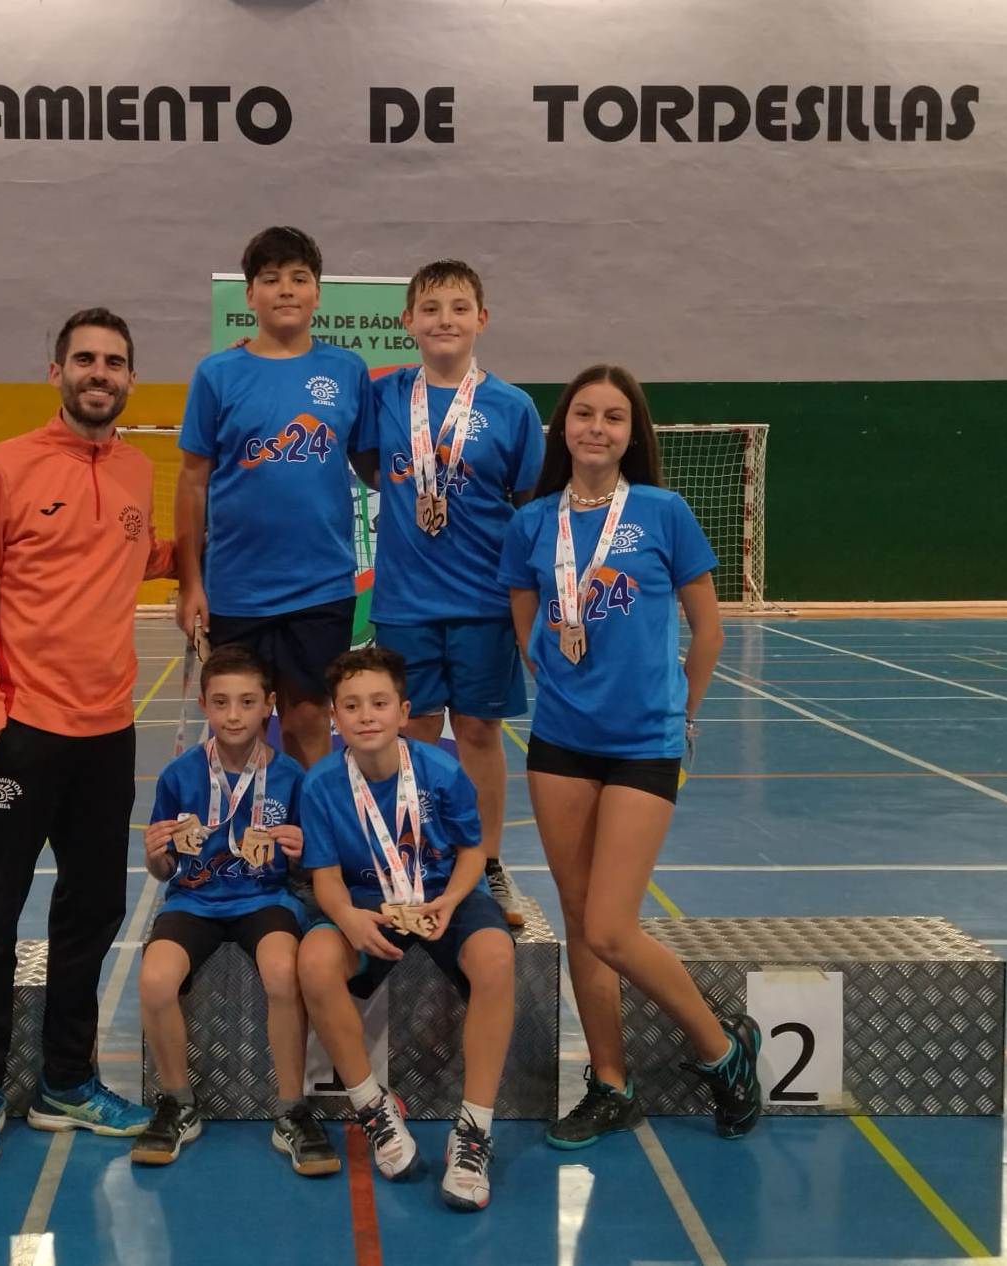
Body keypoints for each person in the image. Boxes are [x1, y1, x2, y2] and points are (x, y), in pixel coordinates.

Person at [496, 364, 761, 1147]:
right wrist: (542, 653)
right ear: (563, 428)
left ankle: (721, 1049)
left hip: (645, 744)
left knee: (612, 926)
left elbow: (708, 630)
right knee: (580, 920)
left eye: (614, 417)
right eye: (584, 414)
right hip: (560, 747)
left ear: (631, 433)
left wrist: (683, 713)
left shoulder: (663, 512)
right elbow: (523, 610)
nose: (597, 429)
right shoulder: (533, 522)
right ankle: (611, 1082)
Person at [0, 307, 173, 1172]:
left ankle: (67, 1083)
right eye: (84, 359)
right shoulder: (1, 468)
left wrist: (208, 553)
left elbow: (134, 553)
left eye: (114, 361)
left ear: (128, 380)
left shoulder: (140, 469)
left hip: (108, 732)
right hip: (24, 733)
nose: (98, 373)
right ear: (56, 372)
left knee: (91, 913)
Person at [296, 647, 516, 1212]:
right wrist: (346, 918)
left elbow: (472, 852)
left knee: (495, 957)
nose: (365, 715)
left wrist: (449, 900)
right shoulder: (321, 785)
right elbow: (324, 880)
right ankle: (373, 1107)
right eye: (351, 705)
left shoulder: (442, 770)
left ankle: (473, 1133)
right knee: (316, 962)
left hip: (442, 894)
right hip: (368, 902)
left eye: (378, 703)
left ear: (403, 710)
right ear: (334, 717)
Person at [362, 259, 544, 927]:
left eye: (459, 307)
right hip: (406, 602)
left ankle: (488, 864)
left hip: (484, 603)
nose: (445, 319)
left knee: (476, 732)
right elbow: (368, 465)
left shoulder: (512, 407)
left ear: (481, 319)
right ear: (407, 320)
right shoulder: (385, 396)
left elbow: (529, 510)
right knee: (407, 731)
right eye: (431, 307)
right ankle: (409, 859)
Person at [173, 226, 378, 768]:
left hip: (321, 587)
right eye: (270, 279)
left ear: (317, 293)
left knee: (309, 719)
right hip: (237, 590)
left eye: (299, 278)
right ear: (249, 295)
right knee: (241, 729)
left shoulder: (346, 371)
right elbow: (192, 481)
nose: (285, 289)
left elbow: (378, 468)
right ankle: (251, 847)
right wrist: (190, 582)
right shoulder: (218, 375)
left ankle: (311, 850)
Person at [132, 645, 339, 1175]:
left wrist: (300, 849)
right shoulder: (179, 775)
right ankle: (177, 1102)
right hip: (194, 901)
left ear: (268, 705)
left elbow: (307, 871)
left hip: (265, 899)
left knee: (281, 972)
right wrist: (156, 855)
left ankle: (291, 1108)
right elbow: (163, 871)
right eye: (221, 702)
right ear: (204, 704)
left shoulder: (292, 776)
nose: (233, 715)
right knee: (155, 980)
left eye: (247, 702)